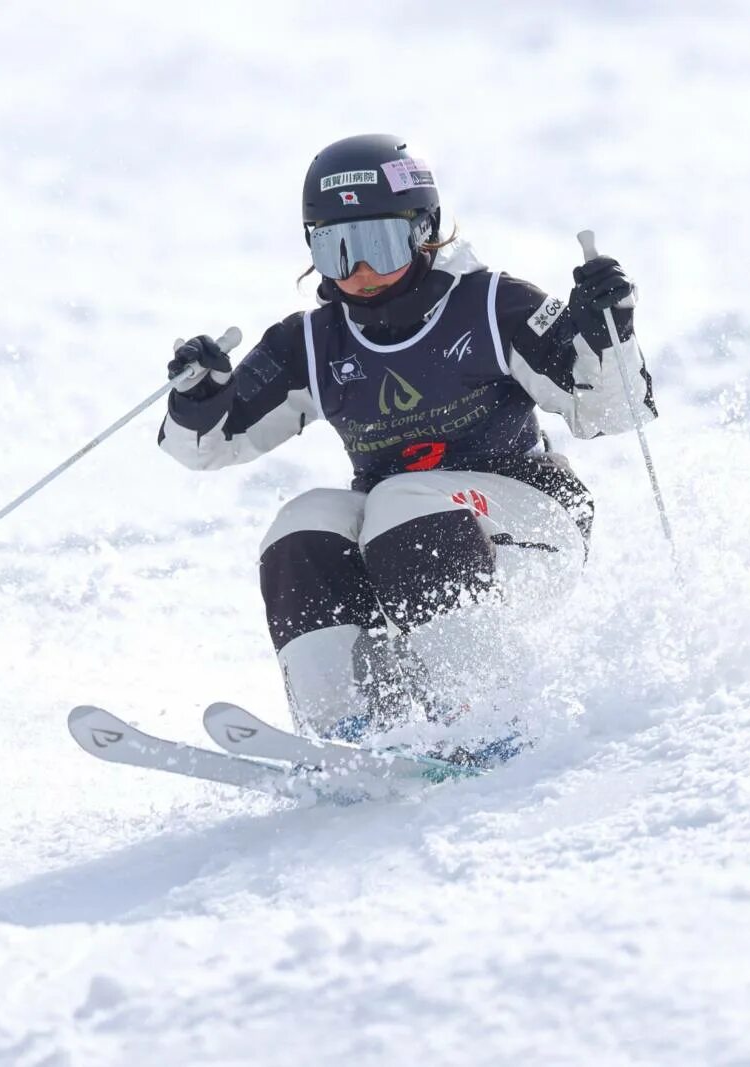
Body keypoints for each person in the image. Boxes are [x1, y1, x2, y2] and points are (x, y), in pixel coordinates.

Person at [158, 133, 655, 758]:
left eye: (377, 246)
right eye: (336, 251)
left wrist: (611, 337)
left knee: (400, 499)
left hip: (530, 526)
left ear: (425, 232)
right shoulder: (312, 343)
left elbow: (614, 413)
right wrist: (197, 401)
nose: (359, 273)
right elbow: (204, 448)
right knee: (302, 524)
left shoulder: (493, 306)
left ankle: (485, 710)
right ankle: (351, 728)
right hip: (402, 551)